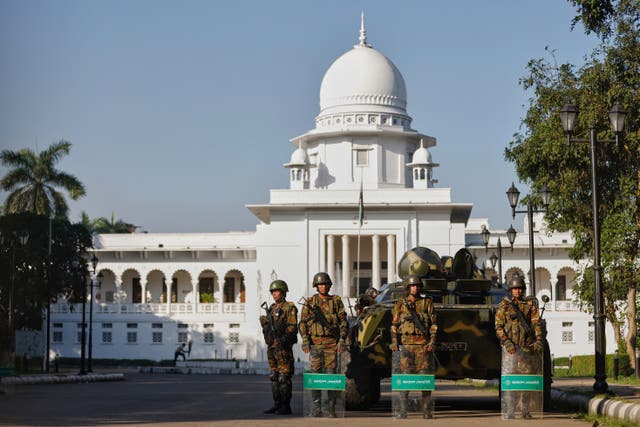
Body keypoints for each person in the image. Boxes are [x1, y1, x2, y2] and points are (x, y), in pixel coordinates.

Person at [298, 272, 348, 417]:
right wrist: (305, 340)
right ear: (316, 286)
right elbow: (303, 324)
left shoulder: (336, 301)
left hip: (332, 343)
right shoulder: (310, 302)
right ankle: (316, 407)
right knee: (315, 376)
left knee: (331, 376)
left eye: (326, 284)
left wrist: (342, 340)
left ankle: (331, 407)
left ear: (329, 285)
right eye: (320, 284)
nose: (323, 286)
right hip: (315, 344)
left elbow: (343, 322)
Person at [495, 275, 544, 419]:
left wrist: (539, 340)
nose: (518, 291)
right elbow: (498, 326)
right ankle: (510, 410)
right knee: (511, 382)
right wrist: (506, 342)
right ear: (511, 290)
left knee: (525, 382)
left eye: (520, 288)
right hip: (511, 350)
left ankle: (525, 410)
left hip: (527, 348)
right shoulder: (504, 306)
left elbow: (536, 323)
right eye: (515, 289)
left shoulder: (530, 306)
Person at [389, 274, 437, 419]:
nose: (415, 288)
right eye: (412, 286)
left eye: (417, 286)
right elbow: (394, 325)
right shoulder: (400, 304)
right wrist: (394, 342)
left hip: (423, 346)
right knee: (405, 378)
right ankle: (403, 409)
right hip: (406, 346)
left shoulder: (427, 303)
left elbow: (433, 325)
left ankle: (426, 410)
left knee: (425, 378)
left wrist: (432, 341)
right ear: (408, 288)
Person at [259, 279, 298, 415]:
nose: (274, 294)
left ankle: (286, 406)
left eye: (277, 291)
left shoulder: (289, 308)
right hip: (272, 348)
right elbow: (268, 330)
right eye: (273, 292)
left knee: (284, 377)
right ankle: (277, 404)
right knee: (274, 376)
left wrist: (281, 341)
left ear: (283, 292)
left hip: (283, 348)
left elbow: (292, 328)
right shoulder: (271, 309)